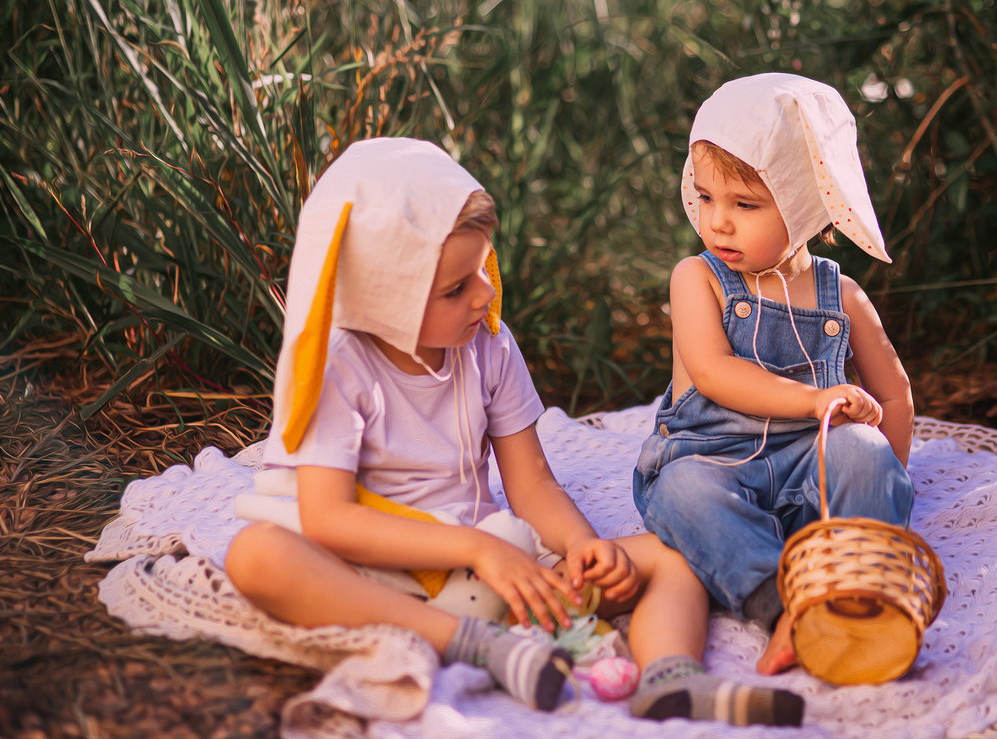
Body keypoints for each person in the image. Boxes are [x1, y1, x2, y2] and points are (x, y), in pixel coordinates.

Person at [225, 138, 804, 725]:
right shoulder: (337, 366)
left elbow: (530, 485)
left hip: (487, 570)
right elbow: (328, 519)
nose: (484, 293)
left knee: (675, 557)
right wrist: (478, 547)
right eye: (456, 288)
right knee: (256, 555)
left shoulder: (488, 344)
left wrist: (582, 549)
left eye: (483, 266)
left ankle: (669, 676)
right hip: (369, 571)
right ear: (383, 299)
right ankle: (475, 645)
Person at [632, 74, 916, 676]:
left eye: (745, 204)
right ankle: (784, 604)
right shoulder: (699, 278)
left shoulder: (841, 293)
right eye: (705, 198)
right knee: (684, 496)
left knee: (863, 451)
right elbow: (713, 372)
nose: (718, 223)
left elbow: (894, 392)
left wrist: (872, 476)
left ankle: (856, 577)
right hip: (713, 459)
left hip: (807, 469)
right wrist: (815, 398)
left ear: (807, 201)